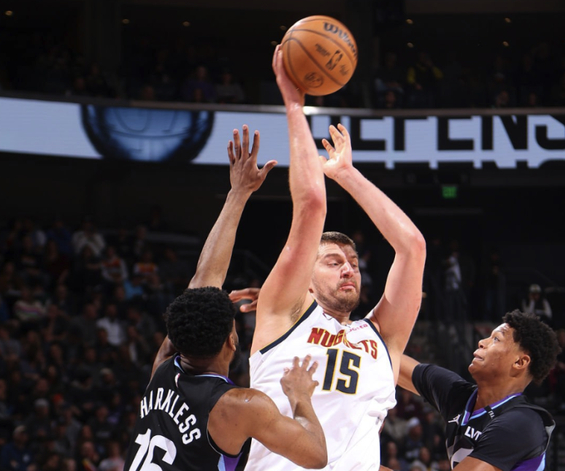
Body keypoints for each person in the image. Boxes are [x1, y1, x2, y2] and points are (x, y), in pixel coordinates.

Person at [245, 46, 426, 471]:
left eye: (353, 262)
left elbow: (412, 247)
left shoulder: (382, 337)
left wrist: (347, 174)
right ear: (304, 279)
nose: (348, 268)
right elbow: (311, 204)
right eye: (332, 261)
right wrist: (294, 103)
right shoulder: (283, 314)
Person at [123, 125, 327, 471]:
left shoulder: (164, 370)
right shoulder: (239, 405)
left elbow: (202, 284)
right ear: (231, 340)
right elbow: (316, 455)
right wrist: (300, 397)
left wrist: (239, 193)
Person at [399, 310, 559, 470]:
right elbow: (390, 362)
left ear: (520, 362)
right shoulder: (459, 394)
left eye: (496, 339)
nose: (481, 342)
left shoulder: (522, 423)